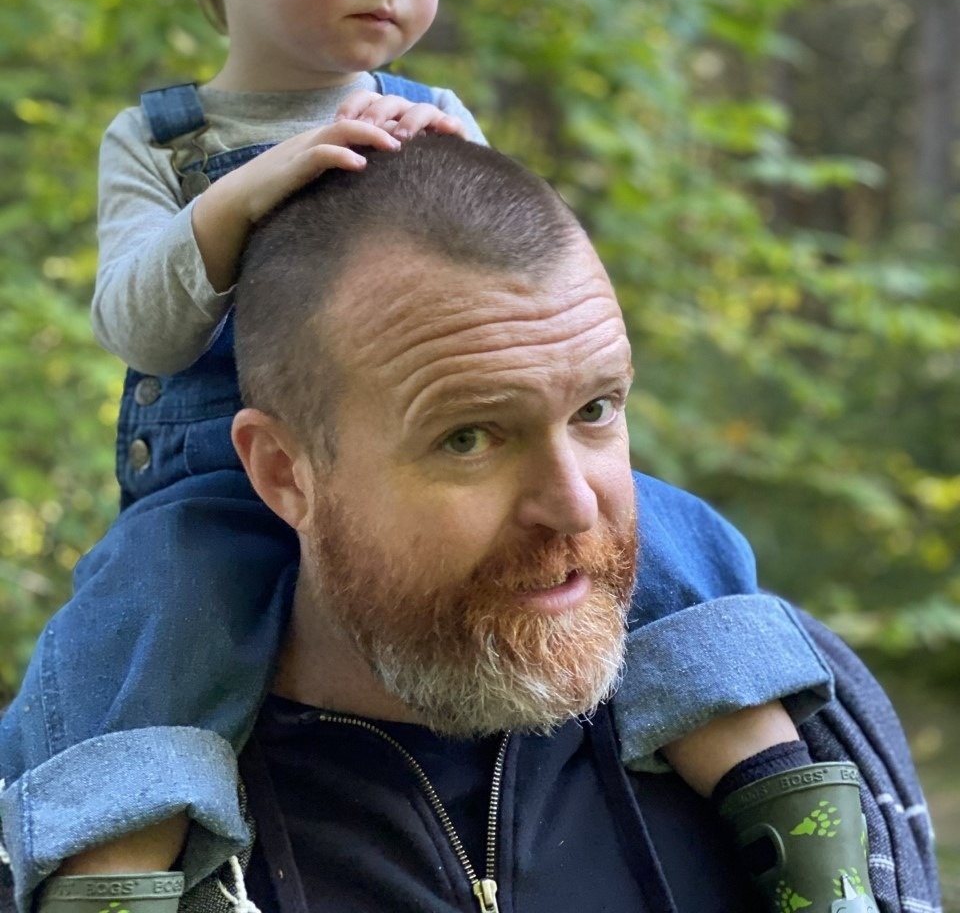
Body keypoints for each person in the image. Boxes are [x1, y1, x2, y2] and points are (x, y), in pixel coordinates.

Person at [0, 0, 859, 913]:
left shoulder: (436, 111)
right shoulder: (164, 141)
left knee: (667, 541)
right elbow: (139, 326)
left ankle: (794, 814)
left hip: (434, 470)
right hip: (213, 487)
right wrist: (249, 193)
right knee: (140, 635)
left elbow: (503, 290)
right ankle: (112, 880)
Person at [19, 136, 934, 913]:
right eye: (468, 438)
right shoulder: (71, 808)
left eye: (596, 410)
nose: (573, 503)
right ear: (284, 473)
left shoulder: (802, 710)